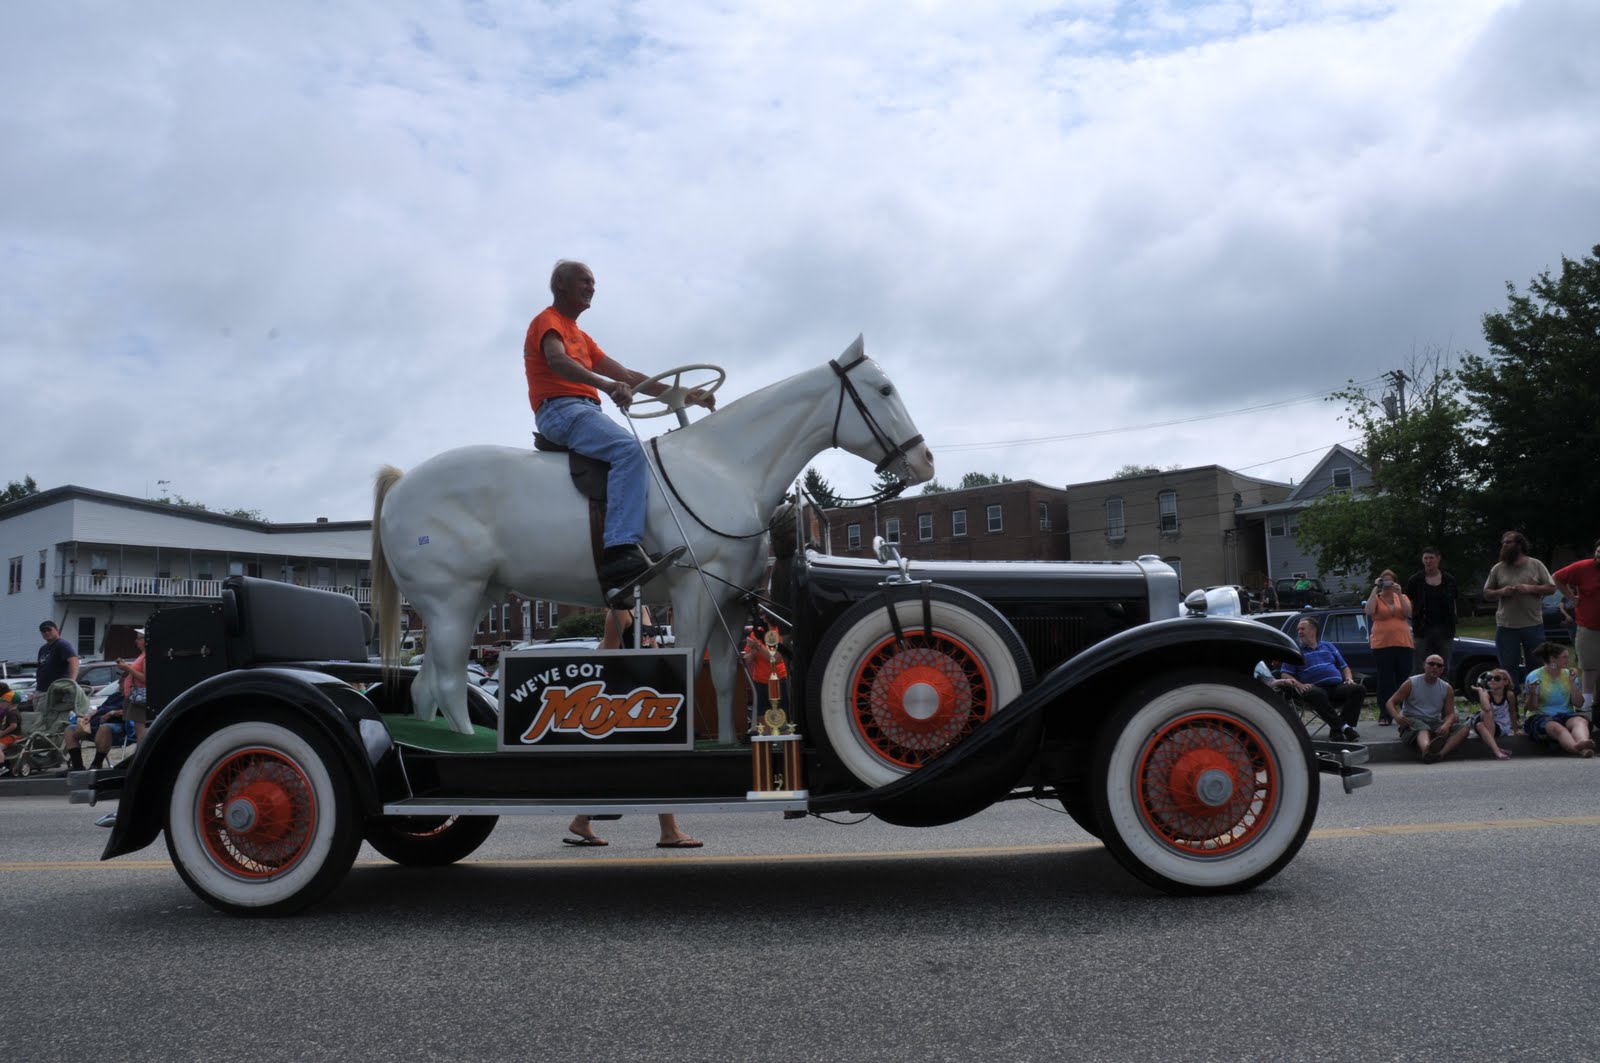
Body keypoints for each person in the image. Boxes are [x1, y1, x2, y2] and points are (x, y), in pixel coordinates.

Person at [524, 260, 715, 597]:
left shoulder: (581, 336)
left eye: (593, 282)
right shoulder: (547, 322)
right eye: (584, 280)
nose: (591, 287)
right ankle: (619, 550)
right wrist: (607, 385)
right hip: (560, 409)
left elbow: (626, 375)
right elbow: (556, 360)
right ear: (560, 284)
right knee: (629, 450)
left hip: (584, 409)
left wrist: (684, 394)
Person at [563, 605, 703, 849]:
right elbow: (609, 653)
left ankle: (581, 820)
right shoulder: (619, 611)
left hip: (648, 693)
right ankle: (669, 831)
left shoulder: (644, 606)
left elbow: (652, 649)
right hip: (628, 699)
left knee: (628, 765)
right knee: (654, 760)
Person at [1483, 531, 1555, 694]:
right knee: (1508, 666)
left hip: (1533, 624)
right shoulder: (1498, 568)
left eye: (1508, 542)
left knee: (1536, 665)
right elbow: (1486, 593)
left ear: (1519, 545)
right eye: (1503, 543)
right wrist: (1501, 592)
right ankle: (1510, 699)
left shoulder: (1535, 564)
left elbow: (1551, 588)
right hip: (1506, 626)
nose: (1504, 546)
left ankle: (1534, 699)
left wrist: (1530, 588)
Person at [1275, 617, 1366, 741]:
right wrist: (1299, 685)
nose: (1299, 632)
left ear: (1313, 630)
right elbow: (1285, 674)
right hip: (1314, 689)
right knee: (1316, 693)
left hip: (1336, 687)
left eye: (1302, 629)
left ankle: (1339, 729)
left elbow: (1344, 666)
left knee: (1358, 689)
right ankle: (1345, 728)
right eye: (1298, 630)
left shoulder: (1328, 646)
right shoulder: (1296, 651)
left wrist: (1349, 678)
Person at [1387, 655, 1466, 763]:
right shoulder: (1411, 683)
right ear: (1424, 666)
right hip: (1412, 721)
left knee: (1464, 728)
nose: (1435, 667)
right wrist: (1397, 716)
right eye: (1431, 664)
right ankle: (1427, 751)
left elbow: (1450, 713)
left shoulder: (1447, 688)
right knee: (1422, 727)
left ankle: (1439, 754)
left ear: (1442, 669)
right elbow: (1390, 702)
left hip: (1434, 722)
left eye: (1439, 665)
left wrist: (1446, 725)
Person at [1552, 538, 1600, 714]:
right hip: (1589, 625)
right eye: (1597, 552)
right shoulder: (1583, 567)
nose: (1598, 554)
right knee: (1589, 663)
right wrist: (1572, 598)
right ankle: (1586, 701)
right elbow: (1557, 577)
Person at [1522, 642, 1591, 757]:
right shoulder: (1534, 676)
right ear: (1552, 659)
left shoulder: (1569, 674)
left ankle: (1582, 744)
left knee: (1580, 721)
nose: (1568, 660)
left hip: (1566, 714)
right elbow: (1531, 707)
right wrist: (1533, 693)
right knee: (1557, 728)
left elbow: (1578, 704)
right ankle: (1578, 748)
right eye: (1564, 657)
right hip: (1541, 715)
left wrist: (1572, 683)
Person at [1365, 569, 1412, 726]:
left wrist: (1398, 594)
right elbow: (1369, 611)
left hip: (1403, 642)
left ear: (1395, 582)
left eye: (1390, 582)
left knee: (1404, 679)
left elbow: (1408, 613)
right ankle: (1385, 714)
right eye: (1384, 582)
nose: (1387, 585)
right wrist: (1374, 589)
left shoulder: (1402, 597)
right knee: (1385, 680)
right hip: (1382, 644)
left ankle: (1407, 712)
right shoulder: (1376, 598)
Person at [1403, 547, 1458, 675]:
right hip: (1422, 630)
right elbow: (1407, 602)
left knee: (1443, 667)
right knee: (1419, 667)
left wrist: (1454, 622)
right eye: (1426, 558)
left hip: (1445, 630)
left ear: (1438, 558)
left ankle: (1442, 693)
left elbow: (1454, 603)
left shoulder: (1449, 580)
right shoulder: (1415, 580)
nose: (1428, 561)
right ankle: (1418, 694)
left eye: (1431, 558)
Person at [742, 620, 791, 721]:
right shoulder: (756, 632)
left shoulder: (780, 631)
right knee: (762, 719)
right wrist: (753, 652)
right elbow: (746, 661)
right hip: (759, 683)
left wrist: (759, 647)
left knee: (779, 719)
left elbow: (776, 659)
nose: (762, 618)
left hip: (778, 681)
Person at [1468, 669, 1519, 760]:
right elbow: (1486, 708)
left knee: (1480, 725)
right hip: (1484, 718)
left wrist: (1515, 730)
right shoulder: (1486, 694)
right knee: (1487, 713)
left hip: (1498, 726)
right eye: (1489, 678)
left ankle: (1494, 747)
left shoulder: (1509, 695)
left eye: (1497, 678)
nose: (1492, 680)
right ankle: (1497, 751)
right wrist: (1480, 691)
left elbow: (1512, 712)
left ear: (1505, 682)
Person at [33, 620, 79, 707]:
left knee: (47, 717)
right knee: (38, 717)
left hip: (55, 691)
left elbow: (74, 661)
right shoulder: (43, 648)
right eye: (43, 631)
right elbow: (41, 668)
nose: (46, 632)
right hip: (40, 690)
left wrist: (71, 682)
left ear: (57, 630)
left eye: (49, 630)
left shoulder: (62, 645)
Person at [0, 683, 20, 777]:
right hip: (7, 736)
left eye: (3, 701)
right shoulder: (8, 712)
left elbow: (13, 726)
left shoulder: (12, 713)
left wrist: (2, 733)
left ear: (10, 703)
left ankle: (2, 767)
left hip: (12, 736)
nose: (1, 703)